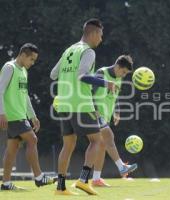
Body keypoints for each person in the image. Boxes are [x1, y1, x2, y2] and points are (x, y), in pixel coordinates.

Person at [50, 18, 117, 195]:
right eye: (100, 35)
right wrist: (105, 83)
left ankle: (61, 187)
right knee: (97, 141)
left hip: (63, 104)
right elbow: (82, 76)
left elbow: (53, 74)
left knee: (68, 145)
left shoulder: (68, 50)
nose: (101, 40)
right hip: (81, 103)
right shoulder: (88, 52)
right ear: (93, 33)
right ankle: (83, 180)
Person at [0, 43, 56, 190]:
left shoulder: (24, 71)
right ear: (23, 55)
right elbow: (0, 91)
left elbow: (25, 97)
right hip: (13, 115)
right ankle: (39, 177)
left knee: (12, 148)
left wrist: (33, 116)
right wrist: (1, 113)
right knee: (32, 139)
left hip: (20, 115)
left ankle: (6, 184)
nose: (32, 63)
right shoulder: (9, 67)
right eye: (31, 59)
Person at [92, 55, 138, 187]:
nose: (123, 75)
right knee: (109, 137)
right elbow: (89, 92)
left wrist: (116, 111)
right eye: (123, 72)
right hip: (95, 113)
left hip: (105, 116)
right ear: (118, 66)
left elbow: (115, 95)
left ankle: (96, 179)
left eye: (126, 74)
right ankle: (121, 166)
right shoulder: (101, 73)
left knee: (101, 146)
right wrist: (94, 109)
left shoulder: (118, 79)